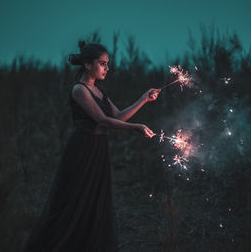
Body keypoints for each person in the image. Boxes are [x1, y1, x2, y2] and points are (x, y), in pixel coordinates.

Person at [24, 41, 160, 251]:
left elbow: (119, 116)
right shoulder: (80, 90)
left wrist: (144, 99)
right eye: (102, 63)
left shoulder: (98, 91)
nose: (107, 68)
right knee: (75, 202)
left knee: (94, 203)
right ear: (88, 65)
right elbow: (102, 120)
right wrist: (136, 128)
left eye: (107, 64)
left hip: (98, 149)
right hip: (82, 149)